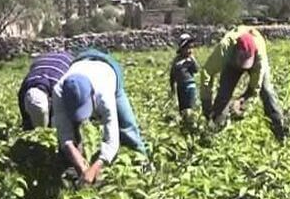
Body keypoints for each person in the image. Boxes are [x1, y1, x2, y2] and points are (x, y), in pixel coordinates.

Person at [52, 48, 147, 185]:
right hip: (79, 62)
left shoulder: (104, 93)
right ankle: (73, 172)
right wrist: (80, 164)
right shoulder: (58, 92)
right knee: (72, 132)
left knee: (127, 127)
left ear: (92, 95)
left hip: (108, 69)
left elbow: (112, 140)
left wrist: (96, 167)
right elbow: (64, 135)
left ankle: (144, 164)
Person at [199, 26, 286, 139]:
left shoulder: (259, 59)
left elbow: (255, 88)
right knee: (224, 94)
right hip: (231, 63)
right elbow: (207, 72)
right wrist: (206, 102)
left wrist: (242, 100)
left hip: (255, 60)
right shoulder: (225, 47)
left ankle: (280, 131)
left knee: (267, 92)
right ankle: (215, 131)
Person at [18, 51, 74, 130]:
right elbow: (25, 117)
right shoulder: (24, 90)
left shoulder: (60, 87)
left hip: (66, 61)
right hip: (43, 61)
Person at [169, 34, 200, 116]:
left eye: (191, 47)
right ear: (181, 49)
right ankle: (184, 122)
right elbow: (172, 75)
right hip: (180, 87)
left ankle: (190, 121)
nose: (189, 50)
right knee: (182, 109)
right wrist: (172, 88)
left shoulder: (191, 59)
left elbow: (196, 70)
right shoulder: (177, 60)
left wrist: (192, 60)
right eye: (187, 48)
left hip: (190, 85)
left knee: (190, 107)